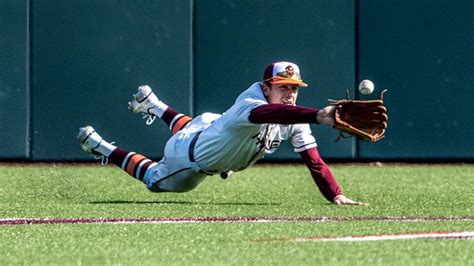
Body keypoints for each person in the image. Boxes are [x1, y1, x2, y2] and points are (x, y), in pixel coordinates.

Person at [77, 61, 366, 205]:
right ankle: (99, 145)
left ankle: (154, 105)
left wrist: (335, 195)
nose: (290, 94)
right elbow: (267, 115)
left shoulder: (294, 116)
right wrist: (318, 115)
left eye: (293, 88)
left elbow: (313, 159)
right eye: (282, 87)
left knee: (203, 124)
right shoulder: (251, 104)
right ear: (266, 88)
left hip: (208, 127)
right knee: (154, 179)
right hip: (188, 160)